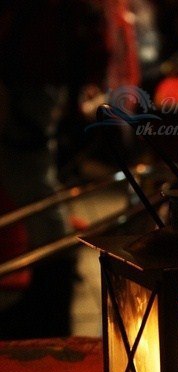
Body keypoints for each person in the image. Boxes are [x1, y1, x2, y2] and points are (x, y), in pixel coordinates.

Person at [0, 0, 140, 339]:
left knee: (30, 179)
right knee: (31, 177)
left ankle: (52, 297)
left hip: (28, 77)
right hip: (36, 75)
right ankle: (51, 293)